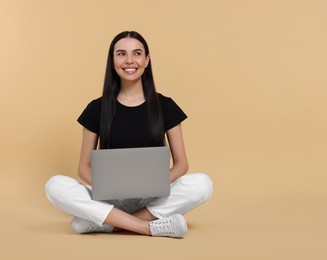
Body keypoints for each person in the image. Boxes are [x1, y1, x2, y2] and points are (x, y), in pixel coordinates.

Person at [45, 31, 213, 238]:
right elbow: (83, 168)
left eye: (137, 53)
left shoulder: (165, 106)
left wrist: (157, 183)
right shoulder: (96, 108)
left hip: (152, 197)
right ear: (113, 60)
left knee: (202, 184)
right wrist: (109, 186)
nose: (129, 60)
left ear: (146, 60)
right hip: (109, 198)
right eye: (121, 54)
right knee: (55, 186)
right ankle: (146, 227)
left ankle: (109, 222)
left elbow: (182, 164)